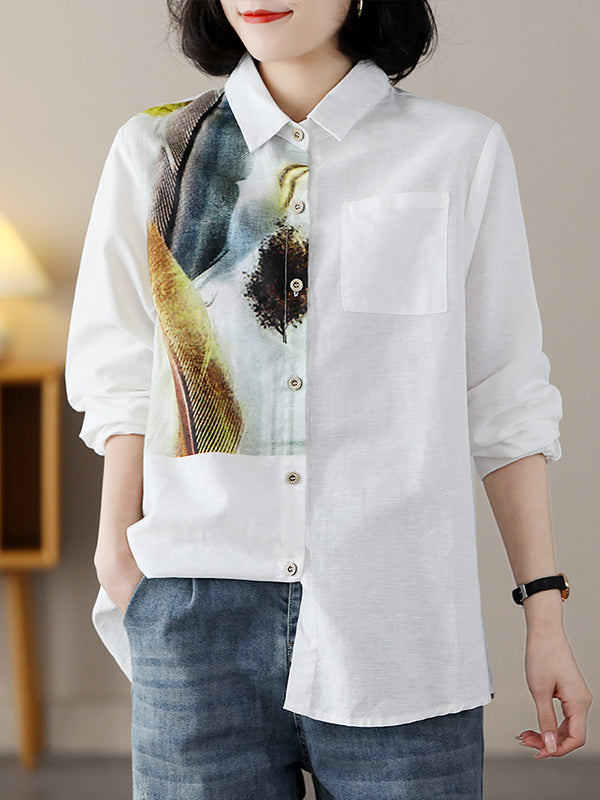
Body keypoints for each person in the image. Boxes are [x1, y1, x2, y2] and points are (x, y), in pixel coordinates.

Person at [64, 1, 593, 798]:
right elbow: (122, 373)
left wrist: (544, 615)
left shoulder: (458, 150)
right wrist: (117, 555)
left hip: (399, 620)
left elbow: (504, 396)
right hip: (194, 617)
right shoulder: (156, 149)